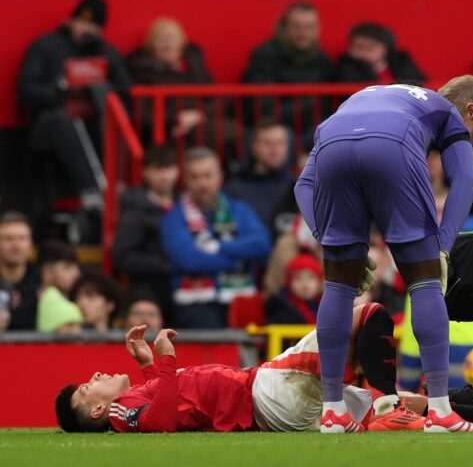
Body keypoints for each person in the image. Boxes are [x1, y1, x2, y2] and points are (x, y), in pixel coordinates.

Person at [294, 79, 473, 433]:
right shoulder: (447, 113)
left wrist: (330, 243)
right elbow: (463, 181)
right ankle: (441, 412)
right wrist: (441, 248)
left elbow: (302, 185)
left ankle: (333, 412)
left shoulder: (359, 100)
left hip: (333, 140)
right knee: (425, 279)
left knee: (338, 286)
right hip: (393, 146)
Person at [55, 305, 444, 433]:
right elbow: (160, 420)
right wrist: (167, 359)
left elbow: (164, 403)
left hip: (271, 405)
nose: (95, 378)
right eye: (88, 389)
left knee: (417, 408)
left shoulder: (129, 403)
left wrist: (146, 365)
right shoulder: (122, 413)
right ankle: (389, 403)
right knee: (368, 314)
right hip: (267, 391)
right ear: (97, 411)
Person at [18, 0, 131, 212]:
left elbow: (124, 89)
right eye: (82, 22)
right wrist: (59, 87)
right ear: (71, 21)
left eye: (93, 25)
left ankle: (119, 184)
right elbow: (26, 91)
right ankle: (91, 190)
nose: (87, 28)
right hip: (48, 124)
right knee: (60, 118)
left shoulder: (105, 52)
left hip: (93, 122)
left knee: (115, 112)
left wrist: (99, 87)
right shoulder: (46, 46)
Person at [160, 147, 271, 329]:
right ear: (185, 180)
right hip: (196, 305)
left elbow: (261, 244)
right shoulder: (174, 217)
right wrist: (237, 260)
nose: (202, 183)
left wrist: (218, 247)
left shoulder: (239, 210)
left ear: (219, 176)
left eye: (207, 175)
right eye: (195, 177)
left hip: (242, 297)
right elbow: (189, 260)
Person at [112, 146, 178, 313]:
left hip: (182, 285)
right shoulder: (134, 209)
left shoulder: (185, 203)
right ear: (145, 172)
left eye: (169, 168)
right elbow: (123, 255)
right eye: (157, 169)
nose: (164, 176)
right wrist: (166, 266)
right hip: (149, 289)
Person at [126, 17, 214, 140]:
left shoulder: (196, 68)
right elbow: (143, 114)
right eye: (161, 38)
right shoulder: (142, 73)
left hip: (203, 122)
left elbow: (219, 99)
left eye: (173, 37)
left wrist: (199, 115)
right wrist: (177, 118)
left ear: (183, 44)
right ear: (151, 45)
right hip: (168, 134)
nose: (168, 42)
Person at [226, 119, 295, 234]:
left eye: (280, 143)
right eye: (267, 143)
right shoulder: (235, 189)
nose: (275, 150)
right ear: (254, 146)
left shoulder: (297, 185)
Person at [242, 1, 334, 85]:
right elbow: (260, 99)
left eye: (310, 27)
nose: (303, 32)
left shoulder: (323, 60)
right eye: (296, 26)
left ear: (318, 29)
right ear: (285, 27)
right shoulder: (265, 55)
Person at [334, 23, 426, 84]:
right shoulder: (346, 68)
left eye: (370, 47)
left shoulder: (402, 63)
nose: (364, 52)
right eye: (359, 47)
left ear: (384, 48)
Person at [0, 212, 40, 331]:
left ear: (30, 244)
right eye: (8, 239)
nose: (16, 245)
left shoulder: (43, 282)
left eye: (21, 238)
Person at [36, 240, 83, 334]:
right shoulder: (50, 298)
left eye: (76, 267)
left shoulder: (77, 300)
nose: (77, 274)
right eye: (67, 268)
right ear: (47, 273)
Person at [264, 254, 323, 325]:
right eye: (298, 278)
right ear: (289, 282)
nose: (305, 284)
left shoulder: (324, 304)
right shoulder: (279, 308)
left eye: (311, 277)